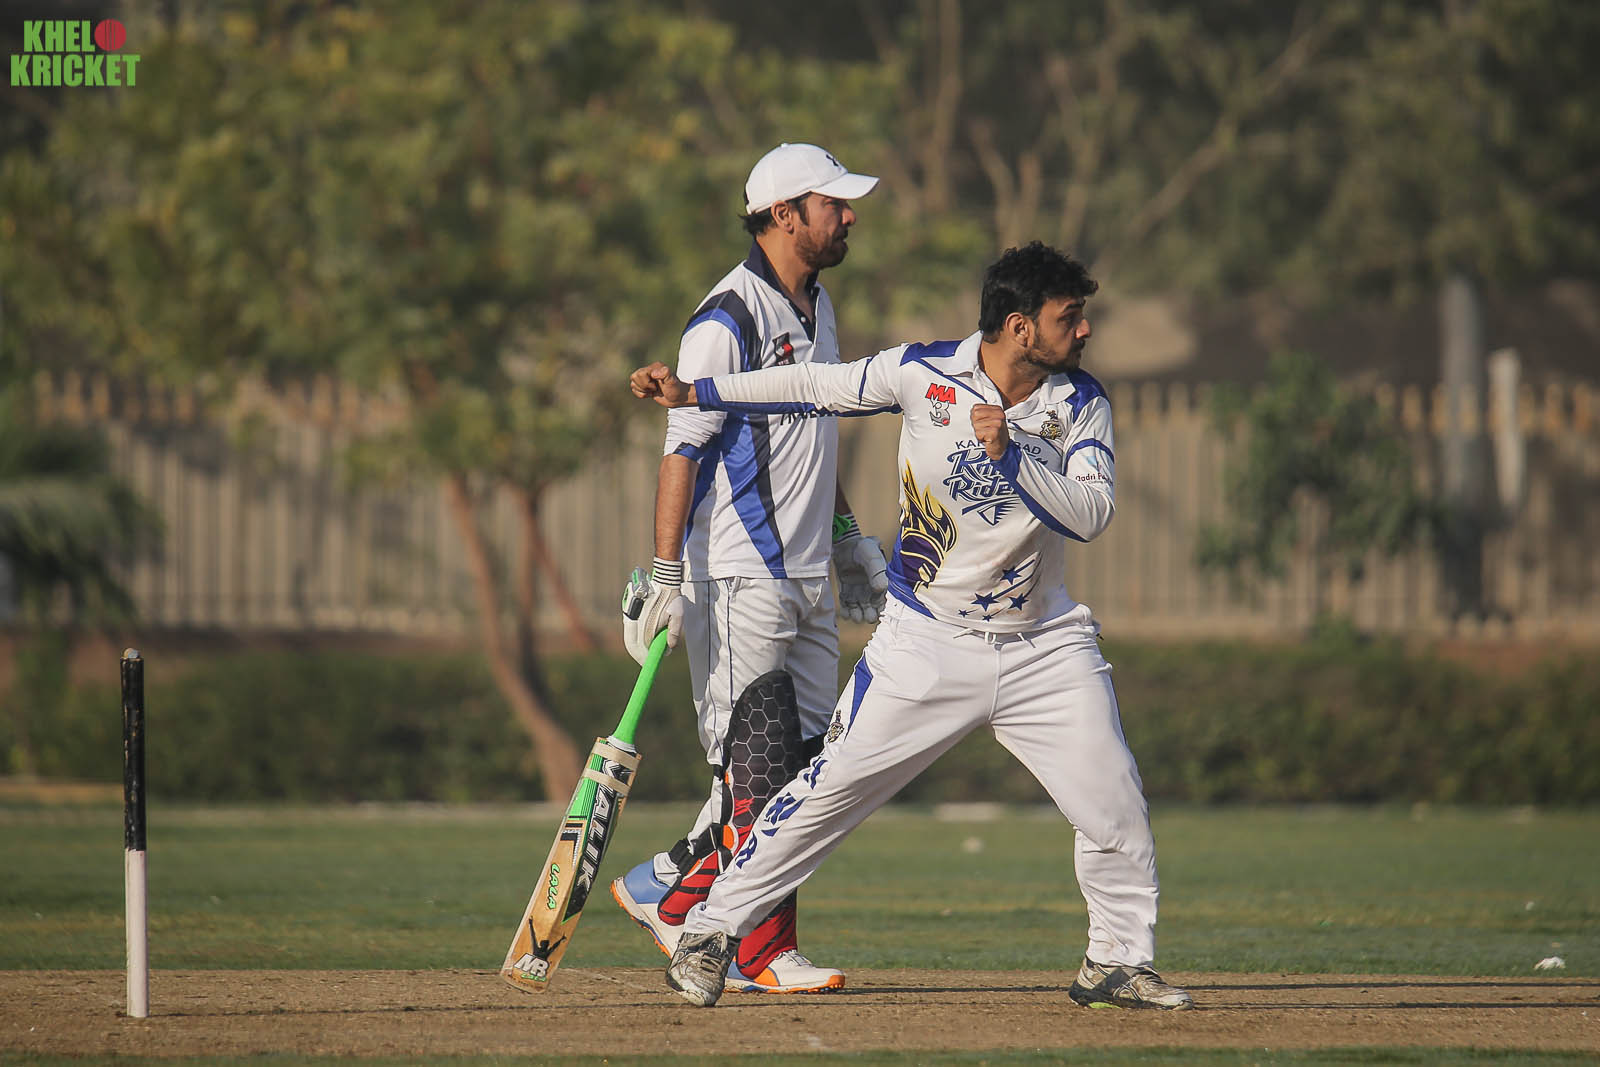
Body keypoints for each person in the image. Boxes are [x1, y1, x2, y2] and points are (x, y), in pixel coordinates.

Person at [628, 241, 1194, 1011]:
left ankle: (1118, 961)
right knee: (825, 792)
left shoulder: (1081, 400)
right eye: (1071, 317)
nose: (1086, 330)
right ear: (1020, 327)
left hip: (1045, 645)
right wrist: (695, 389)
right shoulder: (922, 373)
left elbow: (1092, 513)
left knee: (1115, 799)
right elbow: (812, 385)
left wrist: (1014, 456)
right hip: (927, 642)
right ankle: (710, 931)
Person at [612, 142, 890, 995]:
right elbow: (682, 448)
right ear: (782, 214)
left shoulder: (821, 307)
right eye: (831, 203)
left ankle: (666, 889)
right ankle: (761, 949)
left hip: (808, 576)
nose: (848, 215)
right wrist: (666, 575)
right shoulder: (724, 319)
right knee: (756, 771)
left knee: (804, 770)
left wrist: (847, 536)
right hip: (738, 575)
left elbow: (814, 435)